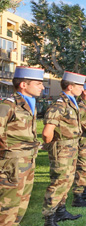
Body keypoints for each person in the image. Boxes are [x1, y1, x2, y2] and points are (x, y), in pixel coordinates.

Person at [0, 67, 44, 225]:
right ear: (24, 85)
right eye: (38, 83)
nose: (42, 87)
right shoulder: (8, 105)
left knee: (21, 206)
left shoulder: (29, 104)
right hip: (12, 164)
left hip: (28, 161)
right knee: (8, 207)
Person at [42, 71, 86, 225]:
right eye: (80, 85)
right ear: (70, 87)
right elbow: (47, 133)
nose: (82, 88)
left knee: (67, 181)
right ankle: (49, 217)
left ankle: (61, 210)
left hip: (71, 147)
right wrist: (55, 145)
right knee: (59, 181)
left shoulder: (71, 102)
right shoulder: (59, 104)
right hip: (62, 148)